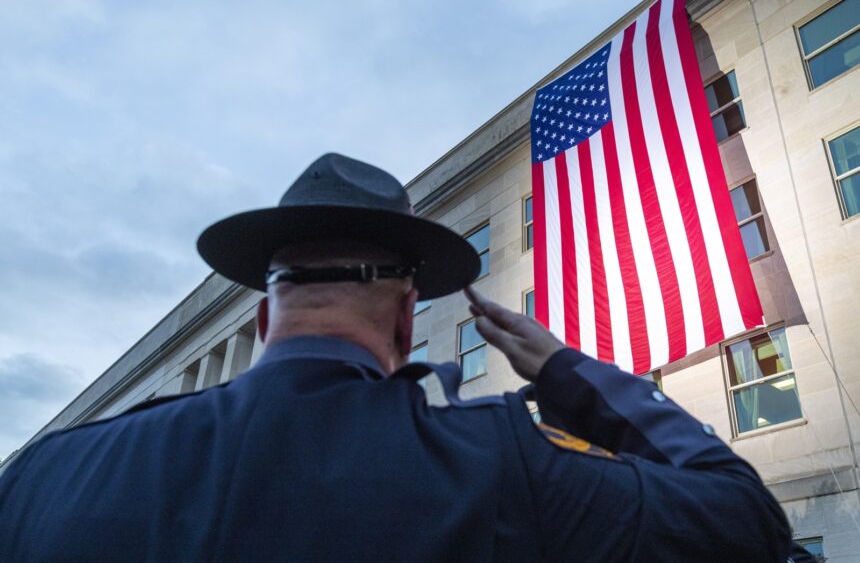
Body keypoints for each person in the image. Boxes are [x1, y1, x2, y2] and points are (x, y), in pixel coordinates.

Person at [0, 153, 798, 561]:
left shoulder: (47, 475)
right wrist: (566, 372)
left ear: (260, 314)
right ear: (407, 316)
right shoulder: (497, 463)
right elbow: (744, 521)